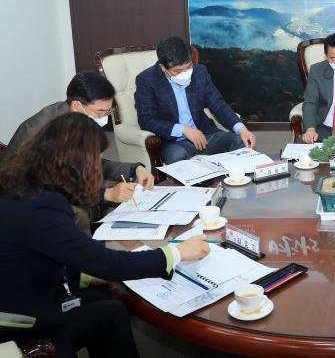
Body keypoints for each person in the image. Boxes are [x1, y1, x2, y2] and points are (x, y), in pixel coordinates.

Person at [0, 113, 209, 357]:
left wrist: (86, 277)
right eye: (95, 160)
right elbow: (108, 263)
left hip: (23, 293)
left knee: (104, 299)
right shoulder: (42, 207)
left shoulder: (24, 185)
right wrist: (176, 253)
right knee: (111, 314)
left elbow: (42, 255)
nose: (98, 168)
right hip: (18, 324)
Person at [0, 72, 156, 232]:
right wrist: (105, 194)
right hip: (29, 201)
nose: (104, 118)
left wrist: (134, 169)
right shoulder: (45, 131)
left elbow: (89, 162)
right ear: (76, 106)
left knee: (122, 191)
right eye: (100, 112)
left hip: (62, 185)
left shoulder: (76, 121)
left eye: (107, 112)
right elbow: (48, 186)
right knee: (83, 211)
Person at [135, 36, 256, 164]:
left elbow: (217, 103)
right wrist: (183, 129)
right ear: (163, 68)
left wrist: (241, 128)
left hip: (204, 135)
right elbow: (146, 120)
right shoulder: (147, 80)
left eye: (188, 67)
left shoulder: (199, 72)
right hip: (174, 142)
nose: (185, 73)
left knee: (239, 141)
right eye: (178, 71)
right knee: (176, 157)